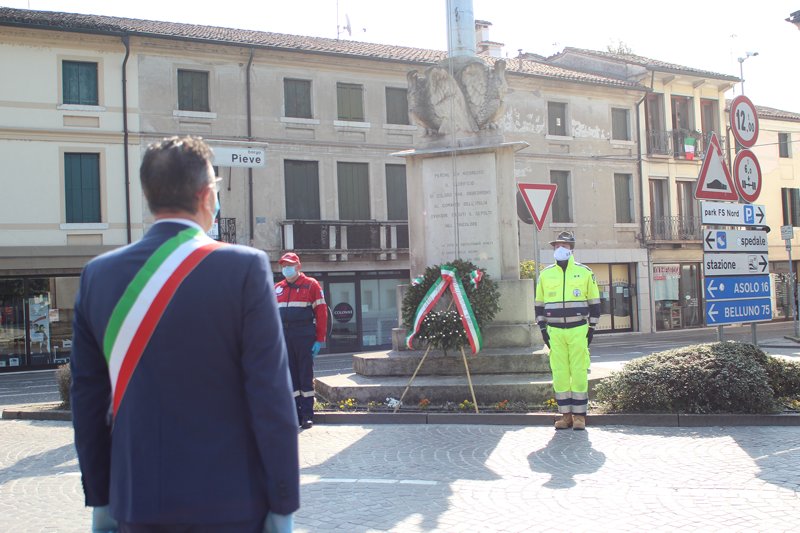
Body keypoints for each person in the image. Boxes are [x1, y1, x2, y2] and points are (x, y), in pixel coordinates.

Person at [70, 136, 299, 533]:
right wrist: (282, 504)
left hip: (136, 504)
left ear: (147, 194)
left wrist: (102, 500)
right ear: (206, 194)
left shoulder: (98, 276)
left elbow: (88, 401)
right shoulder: (245, 268)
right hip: (231, 505)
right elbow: (271, 396)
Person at [534, 231, 600, 431]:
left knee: (579, 371)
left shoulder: (585, 272)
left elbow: (595, 302)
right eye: (556, 246)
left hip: (578, 329)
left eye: (563, 245)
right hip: (555, 331)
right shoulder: (546, 274)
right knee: (560, 372)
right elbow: (539, 304)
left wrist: (592, 327)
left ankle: (580, 416)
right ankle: (566, 416)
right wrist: (543, 328)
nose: (559, 249)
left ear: (572, 248)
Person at [274, 252, 327, 430]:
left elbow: (321, 313)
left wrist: (319, 339)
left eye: (289, 265)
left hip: (303, 334)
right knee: (290, 377)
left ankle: (307, 415)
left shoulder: (310, 285)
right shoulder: (277, 288)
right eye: (283, 265)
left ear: (298, 266)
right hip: (284, 335)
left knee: (305, 375)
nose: (285, 269)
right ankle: (294, 414)